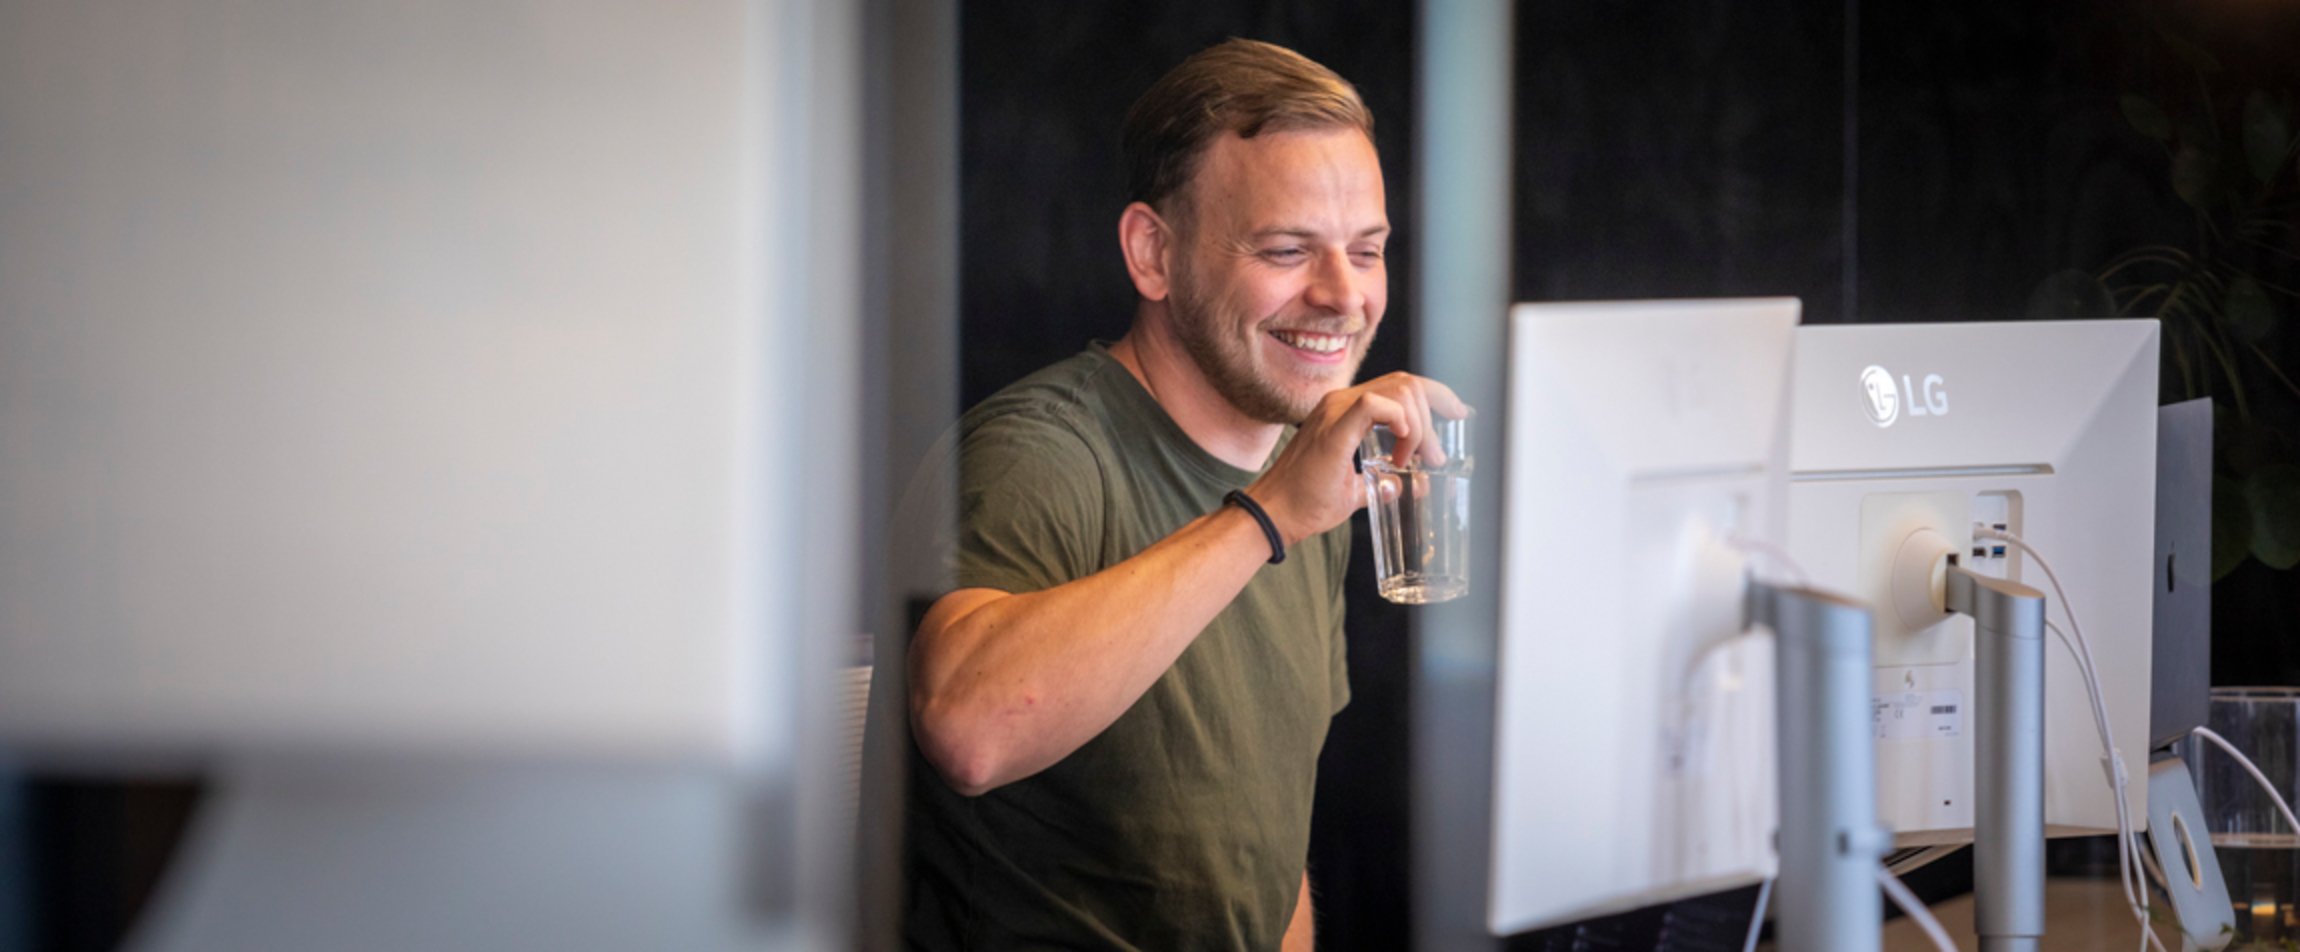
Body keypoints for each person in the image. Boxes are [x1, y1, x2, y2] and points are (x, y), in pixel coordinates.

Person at [905, 38, 1466, 951]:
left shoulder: (1310, 467)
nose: (1343, 296)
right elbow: (967, 732)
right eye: (1288, 250)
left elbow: (1261, 854)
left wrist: (1288, 503)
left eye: (1366, 252)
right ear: (1153, 253)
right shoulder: (1039, 453)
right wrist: (1270, 514)